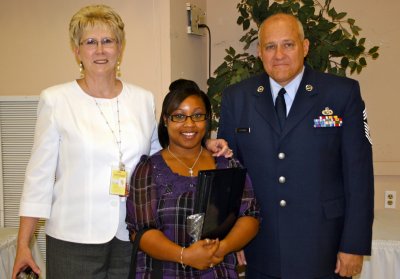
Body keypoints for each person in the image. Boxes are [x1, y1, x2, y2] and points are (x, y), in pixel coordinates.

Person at [11, 6, 230, 279]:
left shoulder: (142, 99)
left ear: (120, 47)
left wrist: (202, 145)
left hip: (130, 236)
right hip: (73, 239)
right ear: (77, 51)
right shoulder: (56, 100)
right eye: (90, 42)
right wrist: (23, 245)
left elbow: (160, 157)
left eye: (108, 41)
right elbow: (38, 177)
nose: (100, 50)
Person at [218, 13, 374, 279]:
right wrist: (230, 239)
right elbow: (229, 176)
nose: (279, 54)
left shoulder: (340, 94)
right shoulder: (237, 98)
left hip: (324, 247)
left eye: (288, 44)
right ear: (259, 52)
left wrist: (353, 245)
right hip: (259, 246)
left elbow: (358, 174)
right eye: (270, 46)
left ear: (305, 47)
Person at [125, 79, 260, 278]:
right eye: (179, 116)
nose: (189, 124)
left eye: (197, 115)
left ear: (207, 119)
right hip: (164, 272)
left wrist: (222, 248)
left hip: (217, 271)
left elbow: (250, 216)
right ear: (165, 119)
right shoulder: (149, 169)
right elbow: (140, 231)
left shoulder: (227, 165)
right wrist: (185, 256)